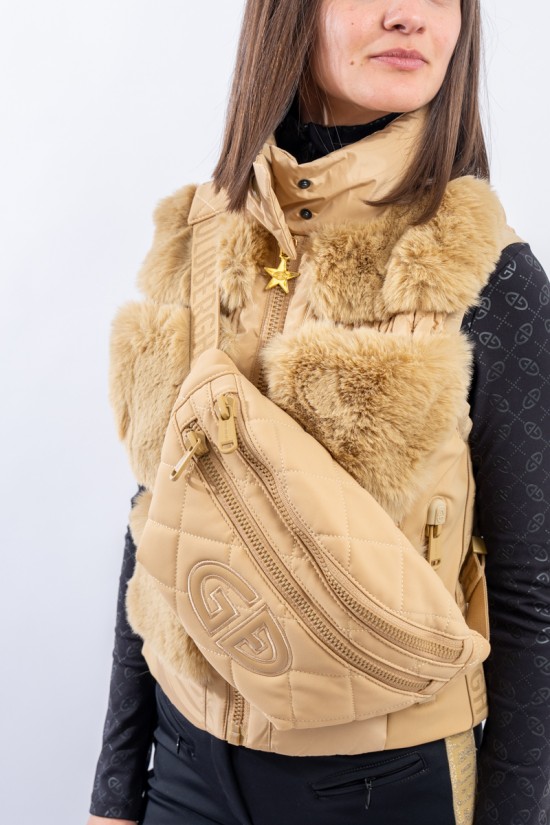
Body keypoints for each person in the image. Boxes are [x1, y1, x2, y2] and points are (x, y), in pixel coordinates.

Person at [87, 1, 550, 823]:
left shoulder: (489, 274)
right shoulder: (199, 236)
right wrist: (116, 791)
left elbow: (533, 596)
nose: (410, 16)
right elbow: (160, 514)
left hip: (384, 787)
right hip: (183, 767)